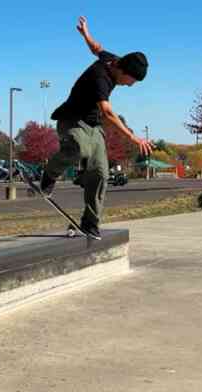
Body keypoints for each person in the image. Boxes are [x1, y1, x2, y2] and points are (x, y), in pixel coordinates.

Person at [41, 16, 154, 240]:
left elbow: (97, 49)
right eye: (131, 81)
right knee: (79, 149)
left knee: (101, 173)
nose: (130, 86)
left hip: (93, 126)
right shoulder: (99, 77)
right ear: (123, 71)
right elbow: (108, 112)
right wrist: (133, 137)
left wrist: (86, 34)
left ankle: (90, 223)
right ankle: (49, 174)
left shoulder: (114, 60)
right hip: (71, 120)